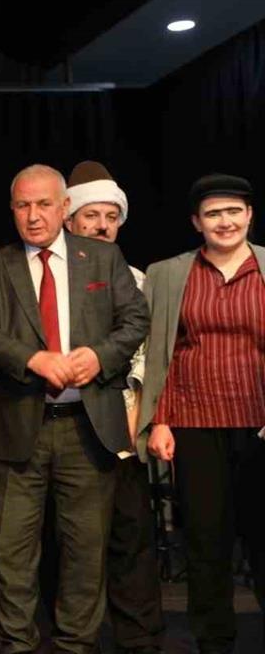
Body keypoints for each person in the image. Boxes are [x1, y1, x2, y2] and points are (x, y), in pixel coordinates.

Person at [0, 164, 148, 654]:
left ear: (64, 207)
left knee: (85, 553)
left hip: (87, 428)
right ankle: (17, 645)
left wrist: (99, 356)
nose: (33, 215)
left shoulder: (103, 257)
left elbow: (135, 319)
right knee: (12, 553)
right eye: (23, 205)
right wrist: (31, 358)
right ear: (12, 210)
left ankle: (76, 646)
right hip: (18, 426)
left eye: (44, 204)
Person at [138, 174, 265, 654]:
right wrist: (160, 418)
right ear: (196, 222)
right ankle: (215, 643)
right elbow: (158, 351)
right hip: (194, 423)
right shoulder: (170, 273)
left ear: (249, 215)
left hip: (260, 424)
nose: (224, 221)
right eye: (213, 213)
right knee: (206, 543)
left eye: (233, 211)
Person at [61, 161, 165, 654]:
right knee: (67, 542)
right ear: (69, 220)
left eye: (111, 216)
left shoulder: (137, 279)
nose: (102, 226)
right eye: (91, 216)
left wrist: (138, 412)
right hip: (65, 426)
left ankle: (138, 640)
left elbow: (148, 353)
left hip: (121, 424)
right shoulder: (48, 274)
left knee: (130, 535)